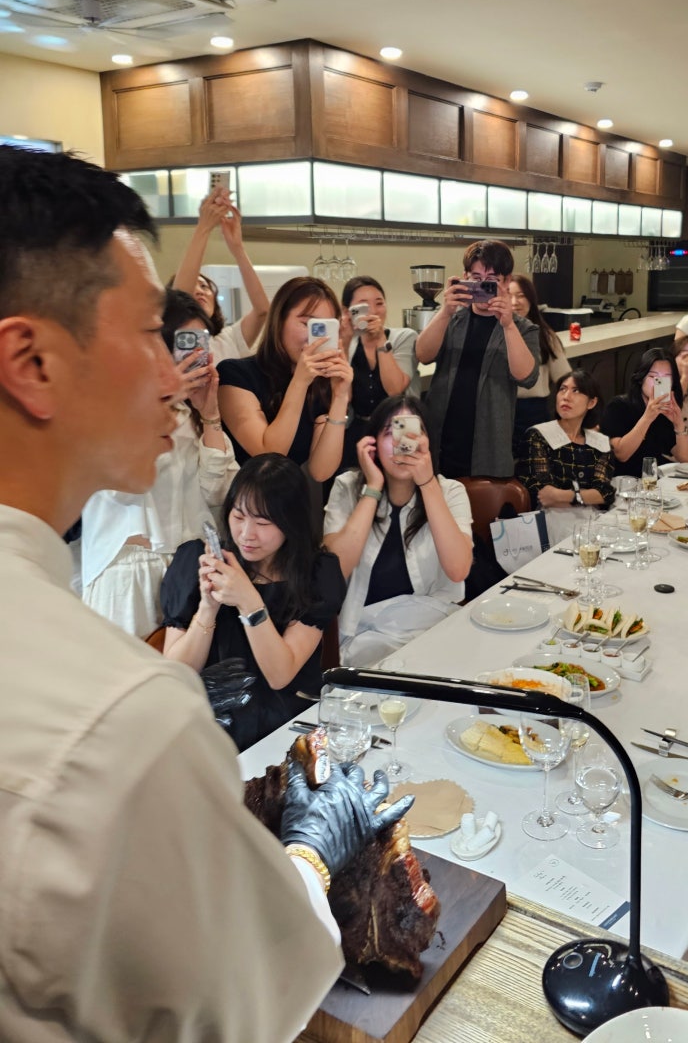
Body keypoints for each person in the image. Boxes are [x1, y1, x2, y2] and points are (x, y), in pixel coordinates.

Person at [0, 145, 411, 1041]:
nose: (178, 369)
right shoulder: (125, 716)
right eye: (155, 332)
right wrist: (312, 843)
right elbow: (252, 1000)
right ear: (31, 364)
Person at [80, 288, 238, 637]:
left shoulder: (198, 409)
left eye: (202, 342)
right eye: (186, 342)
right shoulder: (116, 400)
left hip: (190, 571)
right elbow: (120, 483)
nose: (197, 353)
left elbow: (220, 493)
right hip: (129, 571)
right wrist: (162, 398)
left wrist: (210, 415)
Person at [160, 453, 345, 750]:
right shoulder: (197, 560)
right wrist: (208, 607)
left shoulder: (317, 573)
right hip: (211, 729)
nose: (247, 534)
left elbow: (280, 675)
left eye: (263, 522)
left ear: (291, 522)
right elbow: (175, 676)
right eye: (238, 516)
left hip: (287, 728)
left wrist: (249, 601)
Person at [323, 396, 472, 666]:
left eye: (412, 432)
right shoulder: (347, 487)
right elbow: (336, 568)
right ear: (373, 445)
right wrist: (373, 486)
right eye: (391, 433)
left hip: (434, 630)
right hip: (365, 638)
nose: (403, 444)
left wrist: (427, 483)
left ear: (428, 442)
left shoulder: (450, 491)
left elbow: (458, 569)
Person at [416, 239, 541, 477]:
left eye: (491, 280)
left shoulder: (523, 328)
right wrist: (445, 311)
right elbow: (423, 355)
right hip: (442, 439)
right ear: (464, 276)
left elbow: (527, 376)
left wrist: (508, 324)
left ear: (506, 282)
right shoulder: (453, 319)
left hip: (488, 446)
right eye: (475, 277)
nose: (482, 285)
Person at [217, 274, 353, 488]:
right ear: (279, 321)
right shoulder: (235, 374)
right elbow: (268, 455)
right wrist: (300, 382)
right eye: (307, 324)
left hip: (288, 504)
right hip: (241, 504)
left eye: (324, 327)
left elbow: (321, 471)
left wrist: (340, 396)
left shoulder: (320, 385)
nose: (315, 338)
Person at [170, 184, 270, 364]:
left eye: (204, 286)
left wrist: (238, 248)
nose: (200, 291)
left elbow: (262, 310)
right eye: (193, 286)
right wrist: (204, 228)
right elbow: (178, 302)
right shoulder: (174, 339)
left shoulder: (229, 339)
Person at [339, 274, 418, 466]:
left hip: (400, 429)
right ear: (347, 311)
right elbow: (343, 396)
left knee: (400, 484)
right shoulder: (346, 344)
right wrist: (345, 341)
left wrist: (381, 339)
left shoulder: (404, 337)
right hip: (356, 428)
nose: (373, 311)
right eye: (363, 305)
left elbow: (395, 389)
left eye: (379, 303)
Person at [519, 370, 615, 511]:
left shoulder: (600, 442)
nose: (566, 397)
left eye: (576, 391)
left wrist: (566, 495)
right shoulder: (538, 435)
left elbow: (605, 494)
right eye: (562, 389)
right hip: (549, 521)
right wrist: (587, 497)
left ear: (592, 402)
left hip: (592, 521)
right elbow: (544, 496)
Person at [600, 347, 688, 478]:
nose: (658, 383)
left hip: (653, 482)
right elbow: (621, 454)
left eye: (666, 378)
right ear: (640, 378)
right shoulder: (618, 406)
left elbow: (686, 458)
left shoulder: (664, 412)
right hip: (623, 483)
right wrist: (647, 417)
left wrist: (678, 424)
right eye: (653, 377)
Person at [507, 273, 570, 459]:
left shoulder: (545, 335)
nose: (515, 302)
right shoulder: (495, 334)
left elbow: (564, 378)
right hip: (503, 412)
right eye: (509, 296)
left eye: (521, 296)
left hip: (535, 412)